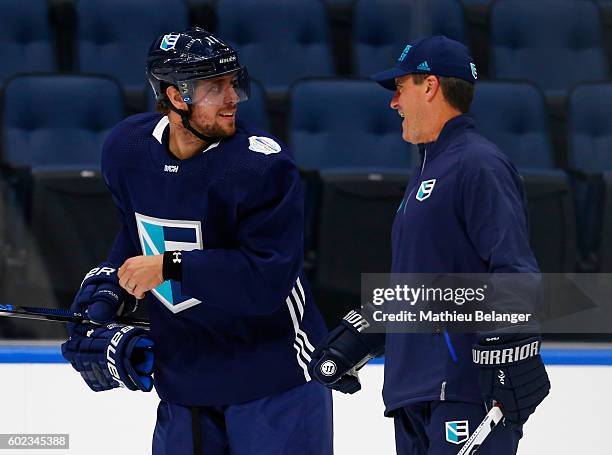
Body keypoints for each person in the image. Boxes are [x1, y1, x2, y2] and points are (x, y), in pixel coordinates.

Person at [61, 27, 333, 455]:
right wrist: (109, 293)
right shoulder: (127, 150)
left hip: (272, 376)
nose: (233, 99)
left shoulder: (261, 165)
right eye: (214, 88)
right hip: (184, 378)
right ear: (174, 96)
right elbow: (135, 237)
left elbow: (268, 277)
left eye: (233, 84)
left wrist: (170, 267)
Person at [308, 36, 550, 454]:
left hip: (462, 391)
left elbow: (514, 270)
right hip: (415, 393)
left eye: (399, 88)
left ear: (430, 86)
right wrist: (361, 332)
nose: (393, 103)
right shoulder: (429, 168)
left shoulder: (478, 163)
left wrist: (509, 355)